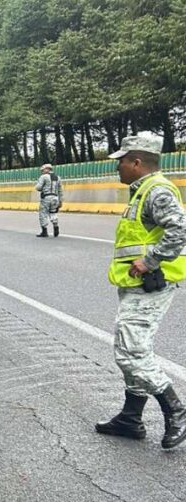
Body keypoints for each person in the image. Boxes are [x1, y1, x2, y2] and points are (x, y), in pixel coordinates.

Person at [95, 134, 186, 450]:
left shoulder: (156, 191)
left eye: (121, 160)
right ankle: (131, 417)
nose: (117, 166)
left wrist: (149, 262)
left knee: (130, 352)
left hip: (152, 284)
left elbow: (180, 230)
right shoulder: (141, 192)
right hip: (137, 285)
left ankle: (176, 408)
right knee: (135, 348)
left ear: (136, 162)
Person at [35, 164, 63, 237]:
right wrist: (60, 201)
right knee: (53, 213)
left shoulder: (43, 177)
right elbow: (60, 190)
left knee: (43, 214)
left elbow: (38, 188)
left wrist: (38, 185)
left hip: (46, 198)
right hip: (55, 198)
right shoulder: (58, 178)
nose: (42, 171)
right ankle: (56, 227)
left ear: (47, 169)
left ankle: (44, 231)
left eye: (43, 170)